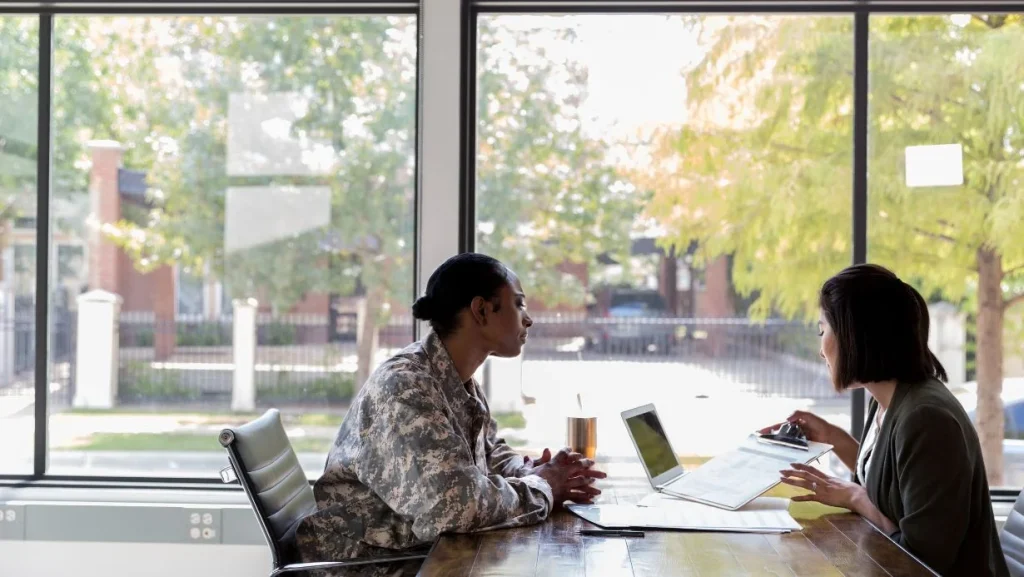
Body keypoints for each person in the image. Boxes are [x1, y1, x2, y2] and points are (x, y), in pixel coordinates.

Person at [296, 253, 606, 576]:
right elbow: (453, 508)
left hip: (416, 555)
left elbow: (488, 450)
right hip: (366, 567)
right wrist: (542, 487)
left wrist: (530, 468)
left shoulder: (453, 375)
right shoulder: (406, 388)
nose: (528, 319)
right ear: (481, 310)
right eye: (518, 304)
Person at [760, 264, 1008, 576]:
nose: (821, 350)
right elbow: (885, 484)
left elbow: (923, 561)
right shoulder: (889, 399)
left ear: (854, 335)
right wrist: (832, 437)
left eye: (823, 331)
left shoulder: (927, 419)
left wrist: (856, 498)